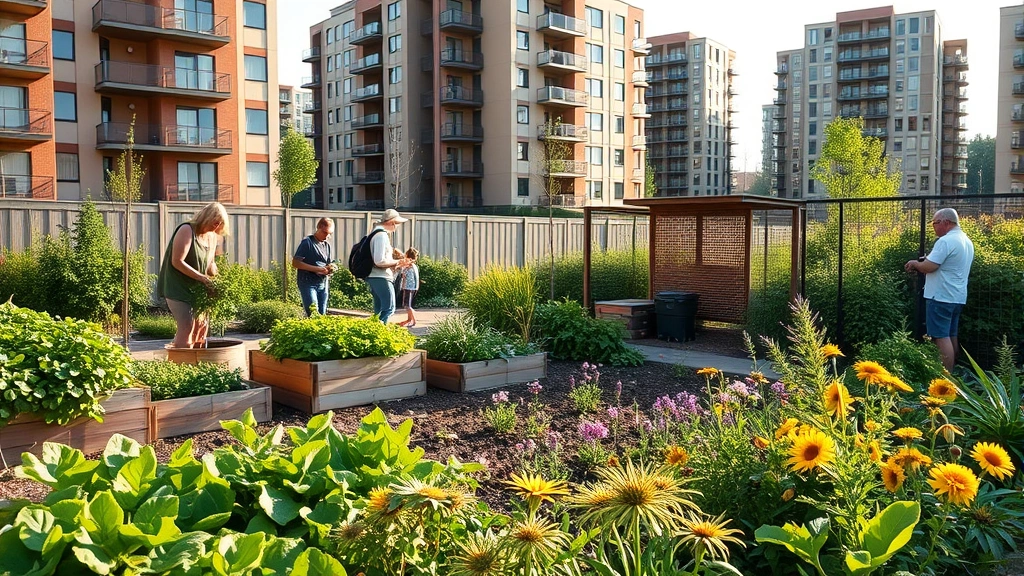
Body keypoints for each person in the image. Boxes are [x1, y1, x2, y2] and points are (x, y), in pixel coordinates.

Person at [905, 208, 975, 371]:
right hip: (957, 296)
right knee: (951, 334)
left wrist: (915, 264)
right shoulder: (965, 240)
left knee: (940, 337)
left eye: (935, 223)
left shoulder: (946, 241)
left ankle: (946, 377)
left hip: (941, 296)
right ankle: (955, 375)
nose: (933, 227)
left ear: (946, 222)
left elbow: (929, 267)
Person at [157, 202, 229, 349]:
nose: (216, 226)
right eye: (215, 222)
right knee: (187, 325)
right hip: (178, 287)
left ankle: (197, 361)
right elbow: (177, 261)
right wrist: (203, 278)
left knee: (201, 326)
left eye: (219, 224)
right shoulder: (187, 230)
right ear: (207, 217)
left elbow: (210, 264)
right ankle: (181, 362)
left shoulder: (212, 237)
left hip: (198, 289)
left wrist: (218, 280)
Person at [366, 209, 409, 323]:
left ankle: (373, 330)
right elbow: (379, 261)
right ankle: (379, 330)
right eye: (397, 223)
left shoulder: (375, 233)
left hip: (375, 276)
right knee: (389, 308)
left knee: (379, 309)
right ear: (392, 222)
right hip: (381, 276)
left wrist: (395, 263)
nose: (397, 226)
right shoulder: (381, 235)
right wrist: (398, 262)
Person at [292, 217, 335, 316]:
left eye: (330, 234)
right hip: (307, 282)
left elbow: (328, 263)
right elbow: (295, 263)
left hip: (323, 283)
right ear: (318, 227)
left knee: (322, 313)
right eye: (325, 232)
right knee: (313, 313)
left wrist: (330, 269)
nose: (327, 236)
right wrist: (317, 269)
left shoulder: (327, 245)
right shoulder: (307, 242)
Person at [398, 247, 420, 327]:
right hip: (412, 287)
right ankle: (409, 319)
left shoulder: (409, 265)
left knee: (408, 305)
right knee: (408, 305)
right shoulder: (413, 265)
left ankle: (413, 320)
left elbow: (404, 275)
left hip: (408, 287)